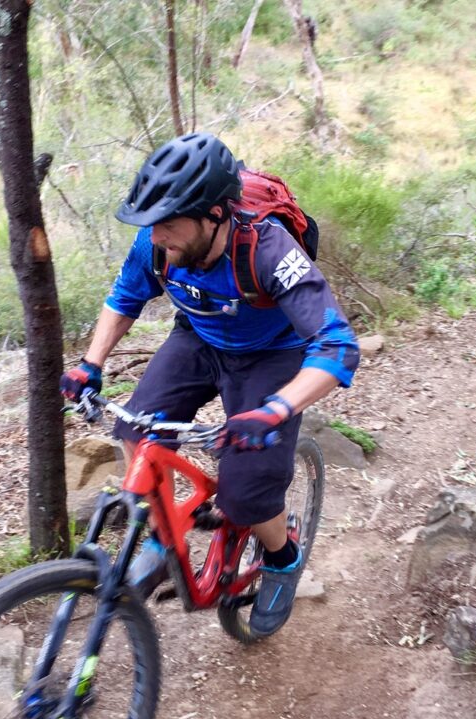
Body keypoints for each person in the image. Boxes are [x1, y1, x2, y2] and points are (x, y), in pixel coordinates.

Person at [61, 133, 359, 636]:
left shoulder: (267, 248)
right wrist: (90, 363)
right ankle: (160, 541)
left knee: (248, 494)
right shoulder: (156, 241)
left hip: (273, 354)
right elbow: (125, 298)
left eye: (170, 224)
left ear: (215, 214)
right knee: (136, 430)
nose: (157, 237)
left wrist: (276, 410)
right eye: (152, 224)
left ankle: (282, 558)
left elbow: (336, 345)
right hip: (198, 337)